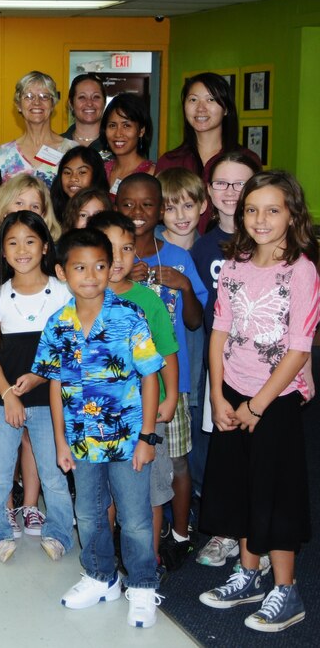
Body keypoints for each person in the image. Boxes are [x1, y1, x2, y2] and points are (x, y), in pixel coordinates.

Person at [198, 171, 319, 633]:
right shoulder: (235, 264)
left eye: (273, 210)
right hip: (232, 394)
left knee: (276, 495)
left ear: (292, 215)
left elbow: (298, 348)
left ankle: (285, 590)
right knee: (241, 488)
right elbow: (219, 331)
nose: (260, 219)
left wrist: (258, 406)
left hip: (276, 401)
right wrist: (217, 392)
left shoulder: (301, 270)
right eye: (252, 210)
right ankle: (248, 574)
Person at [31, 228, 165, 628]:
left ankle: (141, 586)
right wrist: (60, 441)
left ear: (111, 269)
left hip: (127, 440)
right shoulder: (57, 323)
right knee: (88, 514)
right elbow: (55, 385)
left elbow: (150, 376)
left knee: (135, 516)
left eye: (100, 266)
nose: (91, 275)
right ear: (61, 272)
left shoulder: (129, 316)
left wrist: (146, 438)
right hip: (80, 441)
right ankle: (100, 576)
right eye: (80, 267)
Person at [116, 173, 208, 566]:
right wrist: (121, 279)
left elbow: (193, 321)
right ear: (116, 207)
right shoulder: (113, 259)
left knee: (176, 463)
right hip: (121, 384)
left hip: (173, 383)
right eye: (128, 205)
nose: (138, 213)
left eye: (148, 205)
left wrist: (184, 286)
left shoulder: (177, 256)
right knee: (128, 463)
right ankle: (130, 530)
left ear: (161, 210)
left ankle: (181, 533)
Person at [89, 210, 182, 571]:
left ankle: (148, 559)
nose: (118, 258)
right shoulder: (83, 299)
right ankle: (109, 558)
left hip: (145, 414)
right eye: (109, 248)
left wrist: (170, 396)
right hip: (102, 414)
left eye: (127, 249)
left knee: (150, 493)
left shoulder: (149, 299)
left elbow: (167, 351)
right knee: (106, 493)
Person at [0, 211, 74, 563]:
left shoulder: (63, 293)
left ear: (45, 246)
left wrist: (39, 377)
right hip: (4, 400)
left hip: (50, 400)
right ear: (2, 252)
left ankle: (61, 532)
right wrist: (7, 395)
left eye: (30, 241)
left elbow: (69, 351)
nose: (22, 249)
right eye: (13, 242)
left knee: (54, 471)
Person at [188, 153, 261, 568]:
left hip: (264, 365)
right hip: (220, 363)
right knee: (218, 447)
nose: (230, 193)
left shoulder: (270, 243)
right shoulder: (203, 247)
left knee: (259, 451)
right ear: (209, 192)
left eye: (240, 183)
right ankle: (225, 529)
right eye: (221, 184)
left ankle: (257, 533)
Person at [156, 72, 243, 182]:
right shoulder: (169, 162)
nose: (200, 108)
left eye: (210, 99)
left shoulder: (246, 159)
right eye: (193, 100)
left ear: (226, 109)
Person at [0, 71, 78, 186]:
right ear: (18, 105)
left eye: (44, 96)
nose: (37, 102)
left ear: (53, 104)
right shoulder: (2, 155)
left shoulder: (72, 150)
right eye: (29, 96)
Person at [103, 94, 156, 195]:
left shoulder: (153, 175)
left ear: (141, 131)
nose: (118, 133)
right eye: (112, 125)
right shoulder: (101, 172)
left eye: (126, 126)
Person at [0, 173, 62, 241]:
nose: (26, 210)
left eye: (35, 206)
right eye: (19, 203)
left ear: (43, 214)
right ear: (3, 208)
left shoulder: (51, 250)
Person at [49, 146, 109, 219]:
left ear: (96, 175)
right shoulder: (51, 210)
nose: (73, 178)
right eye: (67, 172)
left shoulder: (105, 213)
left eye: (82, 172)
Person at [62, 74, 110, 162]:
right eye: (82, 97)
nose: (89, 103)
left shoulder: (115, 144)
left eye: (96, 97)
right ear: (71, 104)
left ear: (104, 102)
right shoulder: (56, 145)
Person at [158, 167, 208, 252]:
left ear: (202, 206)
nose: (180, 216)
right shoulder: (145, 246)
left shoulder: (206, 250)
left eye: (188, 206)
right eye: (170, 209)